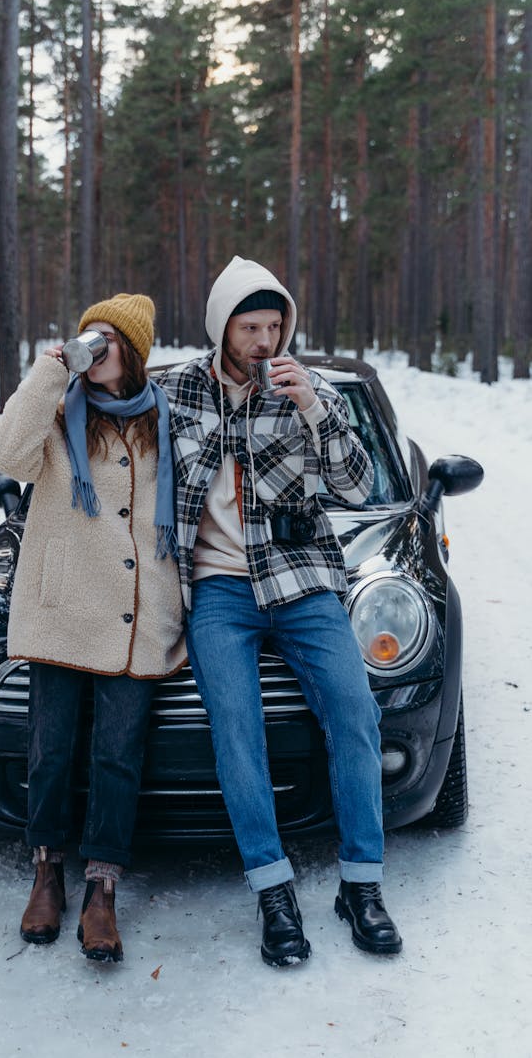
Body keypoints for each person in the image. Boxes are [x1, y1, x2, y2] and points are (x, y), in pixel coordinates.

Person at [158, 256, 402, 966]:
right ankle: (273, 890)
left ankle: (361, 885)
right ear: (222, 327)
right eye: (250, 326)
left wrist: (314, 410)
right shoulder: (175, 392)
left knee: (356, 712)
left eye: (275, 325)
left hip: (301, 579)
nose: (264, 341)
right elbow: (115, 441)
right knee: (236, 727)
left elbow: (358, 486)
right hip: (217, 590)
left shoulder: (311, 389)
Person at [0, 293, 184, 964]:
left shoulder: (164, 417)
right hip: (64, 605)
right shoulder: (58, 413)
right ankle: (47, 872)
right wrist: (50, 371)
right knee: (50, 749)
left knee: (118, 755)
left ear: (133, 350)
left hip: (136, 612)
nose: (96, 346)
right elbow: (6, 453)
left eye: (109, 338)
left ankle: (102, 888)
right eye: (88, 336)